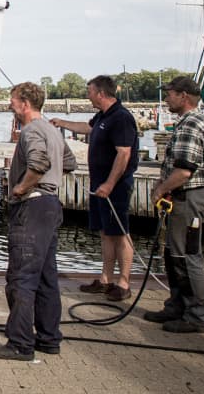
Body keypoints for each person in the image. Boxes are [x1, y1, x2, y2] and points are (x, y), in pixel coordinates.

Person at [0, 82, 77, 361]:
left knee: (21, 278)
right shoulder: (51, 130)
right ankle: (49, 338)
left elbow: (39, 163)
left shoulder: (31, 131)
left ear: (25, 104)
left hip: (32, 206)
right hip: (50, 205)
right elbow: (69, 162)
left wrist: (20, 187)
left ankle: (20, 343)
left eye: (13, 101)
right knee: (47, 276)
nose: (10, 105)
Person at [50, 75, 138, 301]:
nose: (87, 95)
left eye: (89, 91)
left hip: (116, 186)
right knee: (105, 232)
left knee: (120, 233)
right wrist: (61, 123)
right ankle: (106, 280)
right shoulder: (103, 116)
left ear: (100, 93)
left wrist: (109, 184)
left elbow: (124, 153)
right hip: (99, 184)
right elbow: (88, 128)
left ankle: (124, 283)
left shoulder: (121, 117)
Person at [145, 76, 204, 333]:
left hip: (190, 196)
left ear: (183, 96)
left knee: (186, 255)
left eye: (170, 94)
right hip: (183, 196)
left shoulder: (191, 124)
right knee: (174, 253)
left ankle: (196, 315)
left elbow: (185, 170)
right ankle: (177, 305)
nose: (166, 99)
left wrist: (160, 189)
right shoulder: (188, 122)